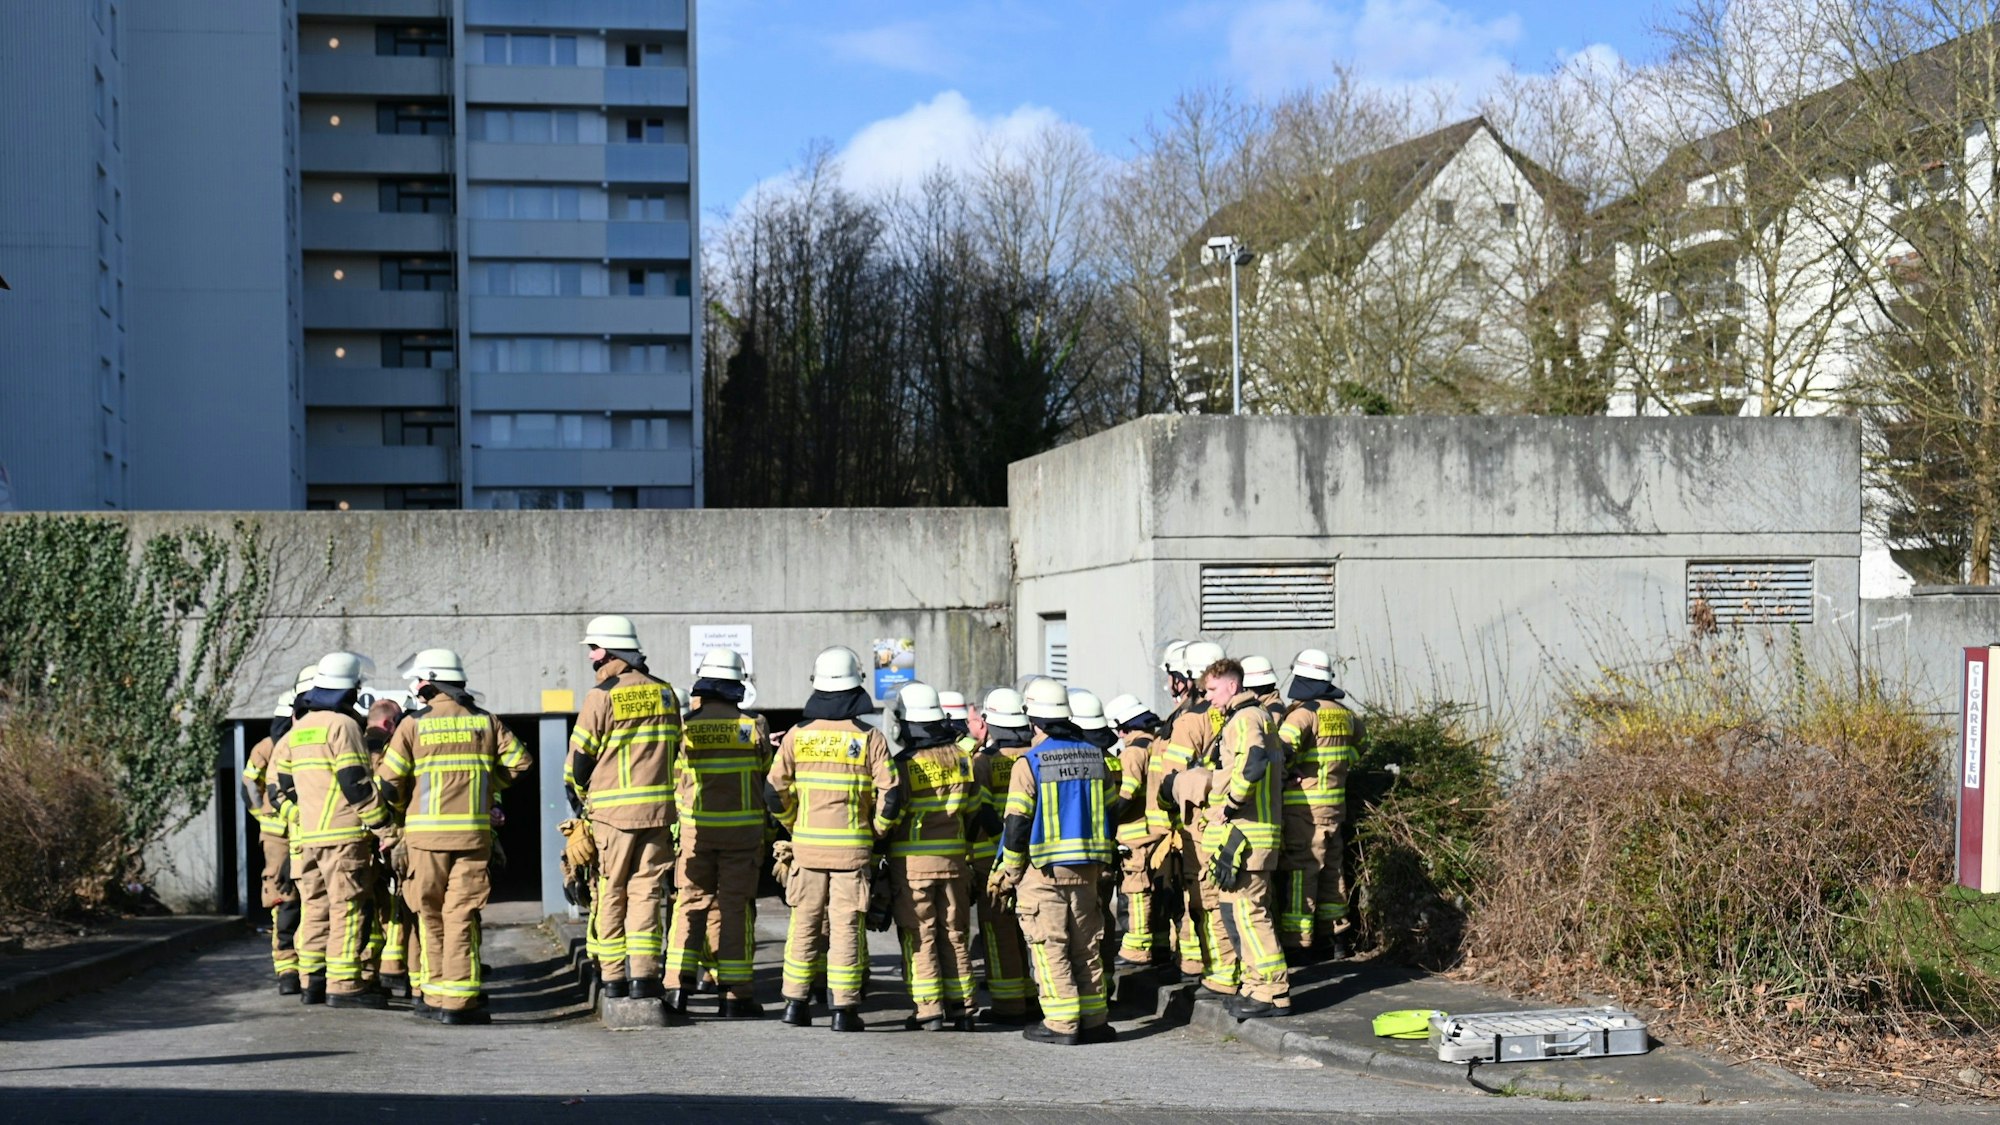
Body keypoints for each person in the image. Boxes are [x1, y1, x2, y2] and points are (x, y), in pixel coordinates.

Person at [377, 649, 532, 1025]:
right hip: (471, 837)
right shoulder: (486, 721)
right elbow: (520, 763)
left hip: (424, 840)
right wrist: (483, 787)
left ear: (429, 682)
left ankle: (432, 996)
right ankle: (460, 1003)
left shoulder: (413, 725)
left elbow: (388, 782)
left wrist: (405, 804)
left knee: (429, 915)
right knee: (461, 915)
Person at [767, 646, 898, 1031]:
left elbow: (774, 792)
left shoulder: (796, 735)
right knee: (845, 928)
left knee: (804, 925)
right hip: (852, 852)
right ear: (856, 687)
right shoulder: (870, 737)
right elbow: (891, 795)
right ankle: (844, 1010)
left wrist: (795, 826)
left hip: (807, 850)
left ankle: (794, 1004)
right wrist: (874, 832)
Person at [989, 679, 1119, 1045]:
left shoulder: (1028, 763)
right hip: (1088, 870)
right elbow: (1111, 811)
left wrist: (1010, 872)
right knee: (1086, 945)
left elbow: (1016, 825)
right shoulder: (1097, 758)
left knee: (1050, 946)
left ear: (1034, 720)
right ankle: (1095, 1019)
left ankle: (1061, 1023)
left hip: (1044, 871)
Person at [567, 615, 681, 1001]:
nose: (590, 657)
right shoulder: (666, 693)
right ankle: (645, 978)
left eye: (593, 649)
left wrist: (576, 791)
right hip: (658, 814)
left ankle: (614, 979)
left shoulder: (602, 696)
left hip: (613, 817)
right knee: (647, 892)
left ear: (610, 653)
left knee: (611, 891)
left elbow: (581, 757)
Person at [271, 652, 392, 1008]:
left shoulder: (300, 728)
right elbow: (355, 781)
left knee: (315, 907)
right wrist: (382, 823)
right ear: (350, 689)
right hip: (342, 835)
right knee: (348, 908)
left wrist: (302, 816)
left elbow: (282, 785)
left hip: (308, 837)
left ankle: (312, 982)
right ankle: (343, 985)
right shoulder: (343, 726)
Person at [663, 648, 770, 1017]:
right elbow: (764, 768)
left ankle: (677, 989)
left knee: (689, 905)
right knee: (734, 908)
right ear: (736, 686)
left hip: (696, 833)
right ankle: (735, 996)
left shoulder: (684, 727)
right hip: (742, 835)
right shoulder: (754, 726)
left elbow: (675, 777)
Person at [885, 682, 991, 1031]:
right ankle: (963, 1007)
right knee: (955, 933)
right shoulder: (963, 760)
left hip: (913, 864)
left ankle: (928, 1009)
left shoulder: (903, 764)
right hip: (955, 862)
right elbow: (974, 812)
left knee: (921, 935)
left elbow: (893, 815)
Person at [1194, 657, 1292, 1019]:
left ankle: (1272, 991)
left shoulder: (1247, 718)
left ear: (1233, 686)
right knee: (1241, 914)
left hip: (1248, 835)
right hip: (1246, 836)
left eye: (1213, 689)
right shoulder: (1251, 717)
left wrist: (1231, 804)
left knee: (1252, 914)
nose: (1208, 697)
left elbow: (1253, 763)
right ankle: (1255, 986)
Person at [1276, 648, 1356, 957]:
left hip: (1305, 808)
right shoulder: (1344, 713)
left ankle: (1300, 943)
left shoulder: (1303, 714)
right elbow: (1358, 747)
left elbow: (1279, 752)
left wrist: (1291, 773)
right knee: (1332, 871)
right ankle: (1337, 938)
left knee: (1301, 872)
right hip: (1336, 807)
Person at [1161, 640, 1230, 992]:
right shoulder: (1250, 713)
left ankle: (1219, 973)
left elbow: (1170, 780)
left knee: (1205, 899)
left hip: (1201, 825)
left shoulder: (1190, 722)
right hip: (1242, 821)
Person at [969, 686, 1035, 1024]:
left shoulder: (984, 762)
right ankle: (1029, 994)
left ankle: (1008, 1005)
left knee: (998, 932)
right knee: (1029, 930)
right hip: (1033, 857)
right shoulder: (1035, 755)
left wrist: (1000, 845)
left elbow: (980, 810)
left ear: (989, 721)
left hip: (992, 863)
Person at [242, 685, 302, 994]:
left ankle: (294, 967)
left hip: (287, 831)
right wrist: (264, 817)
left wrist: (263, 817)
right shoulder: (269, 747)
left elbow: (251, 785)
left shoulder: (270, 745)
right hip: (290, 832)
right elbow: (249, 786)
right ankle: (288, 969)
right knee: (286, 895)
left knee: (300, 898)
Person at [1104, 693, 1166, 968]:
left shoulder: (1132, 752)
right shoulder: (1160, 745)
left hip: (1136, 835)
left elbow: (1127, 794)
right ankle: (1162, 945)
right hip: (1161, 831)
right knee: (1161, 893)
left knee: (1136, 890)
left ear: (1122, 727)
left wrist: (1107, 821)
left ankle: (1136, 951)